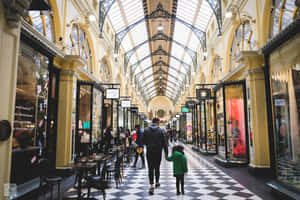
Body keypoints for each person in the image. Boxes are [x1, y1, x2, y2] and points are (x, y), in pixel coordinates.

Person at [142, 118, 168, 195]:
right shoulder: (161, 130)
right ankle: (157, 182)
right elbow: (164, 142)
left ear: (152, 122)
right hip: (158, 152)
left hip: (149, 152)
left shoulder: (146, 130)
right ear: (157, 122)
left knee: (150, 168)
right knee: (157, 167)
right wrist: (166, 152)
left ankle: (151, 185)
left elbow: (143, 141)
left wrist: (148, 144)